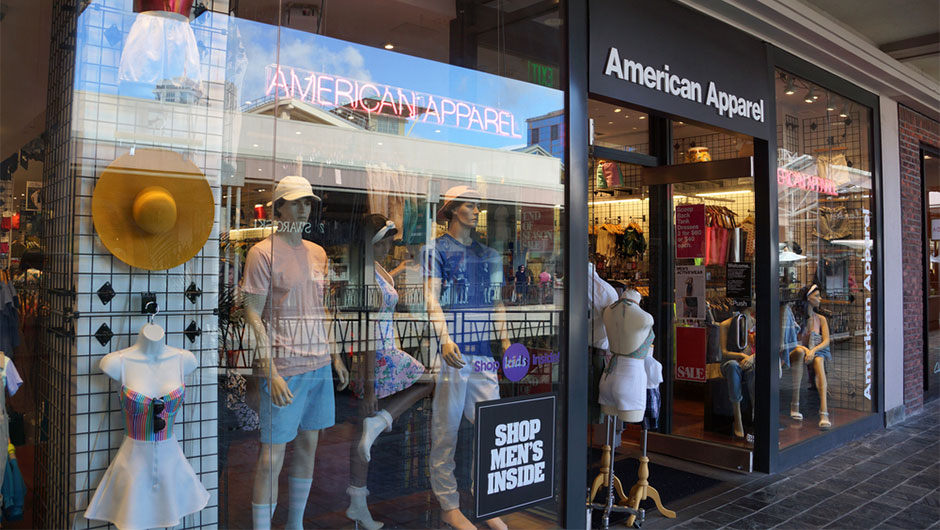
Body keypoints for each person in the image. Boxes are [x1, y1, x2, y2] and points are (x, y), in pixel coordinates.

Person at [242, 176, 349, 530]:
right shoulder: (262, 253)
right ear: (279, 208)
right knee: (271, 455)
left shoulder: (317, 253)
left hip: (318, 364)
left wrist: (335, 356)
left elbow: (323, 308)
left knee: (308, 446)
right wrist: (269, 370)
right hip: (283, 365)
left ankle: (295, 523)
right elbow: (252, 314)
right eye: (296, 201)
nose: (303, 208)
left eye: (308, 202)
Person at [423, 186, 508, 530]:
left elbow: (497, 301)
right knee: (446, 430)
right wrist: (444, 339)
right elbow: (431, 298)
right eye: (469, 205)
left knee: (492, 429)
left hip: (483, 351)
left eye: (477, 206)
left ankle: (487, 499)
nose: (476, 211)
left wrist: (506, 342)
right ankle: (448, 504)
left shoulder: (489, 254)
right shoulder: (436, 250)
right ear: (453, 210)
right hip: (453, 353)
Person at [346, 215, 433, 530]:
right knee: (430, 380)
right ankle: (380, 421)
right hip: (378, 354)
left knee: (363, 437)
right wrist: (369, 386)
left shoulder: (377, 270)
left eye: (389, 242)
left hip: (383, 350)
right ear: (370, 243)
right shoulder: (365, 276)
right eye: (383, 242)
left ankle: (358, 504)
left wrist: (402, 270)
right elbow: (366, 330)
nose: (388, 247)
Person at [86, 321, 208, 529]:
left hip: (172, 461)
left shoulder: (184, 360)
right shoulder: (116, 362)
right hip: (133, 460)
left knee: (169, 515)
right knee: (132, 515)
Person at [789, 284, 832, 429]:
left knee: (819, 361)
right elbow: (791, 340)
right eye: (817, 296)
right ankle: (795, 404)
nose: (820, 299)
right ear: (808, 298)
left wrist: (813, 351)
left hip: (816, 351)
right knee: (800, 353)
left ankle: (824, 412)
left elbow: (826, 341)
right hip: (798, 350)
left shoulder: (820, 319)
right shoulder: (795, 318)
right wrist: (805, 350)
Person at [719, 307, 756, 438]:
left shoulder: (755, 323)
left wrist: (752, 358)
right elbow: (724, 352)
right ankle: (737, 416)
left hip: (749, 362)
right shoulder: (726, 324)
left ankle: (755, 413)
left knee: (754, 370)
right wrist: (741, 355)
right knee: (733, 367)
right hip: (731, 362)